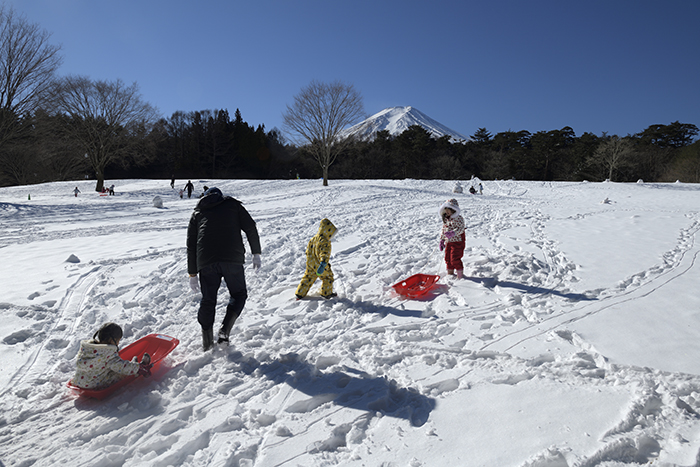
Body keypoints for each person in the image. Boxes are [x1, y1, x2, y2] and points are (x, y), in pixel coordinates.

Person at [187, 187, 262, 350]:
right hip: (232, 258)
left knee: (208, 300)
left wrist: (192, 273)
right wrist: (255, 252)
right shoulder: (233, 205)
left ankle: (207, 344)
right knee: (238, 294)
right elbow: (250, 227)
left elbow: (191, 245)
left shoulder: (198, 212)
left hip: (206, 261)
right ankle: (224, 330)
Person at [70, 323, 152, 389]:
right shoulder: (108, 354)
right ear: (112, 340)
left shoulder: (87, 348)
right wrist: (138, 368)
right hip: (93, 385)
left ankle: (134, 365)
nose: (118, 344)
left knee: (107, 366)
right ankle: (139, 367)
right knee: (119, 372)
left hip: (79, 381)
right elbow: (122, 367)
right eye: (118, 341)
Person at [295, 218, 337, 300]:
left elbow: (307, 251)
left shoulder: (313, 239)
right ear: (328, 232)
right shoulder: (325, 242)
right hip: (320, 265)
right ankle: (326, 293)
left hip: (310, 263)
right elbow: (324, 254)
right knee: (328, 277)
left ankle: (299, 293)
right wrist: (323, 264)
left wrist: (310, 261)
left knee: (307, 277)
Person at [438, 199, 466, 279]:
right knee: (447, 258)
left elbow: (461, 228)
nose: (447, 214)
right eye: (446, 212)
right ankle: (450, 274)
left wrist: (453, 233)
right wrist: (442, 240)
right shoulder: (446, 219)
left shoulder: (458, 218)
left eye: (448, 212)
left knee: (455, 258)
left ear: (454, 210)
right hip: (448, 242)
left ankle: (460, 275)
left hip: (457, 241)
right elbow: (444, 230)